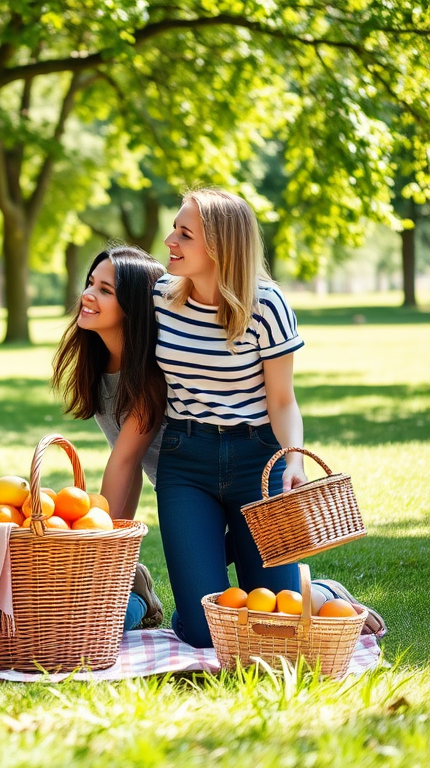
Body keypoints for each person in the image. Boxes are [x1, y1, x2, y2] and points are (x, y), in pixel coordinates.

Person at [153, 188, 308, 648]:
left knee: (278, 621)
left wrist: (294, 460)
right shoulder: (161, 298)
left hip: (259, 463)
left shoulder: (268, 306)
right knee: (204, 633)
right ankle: (212, 570)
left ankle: (316, 589)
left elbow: (282, 400)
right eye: (174, 229)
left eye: (184, 234)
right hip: (186, 460)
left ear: (221, 246)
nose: (169, 241)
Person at [51, 244, 167, 629]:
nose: (87, 294)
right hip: (181, 501)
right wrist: (109, 558)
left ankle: (324, 593)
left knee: (202, 620)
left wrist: (100, 553)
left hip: (213, 506)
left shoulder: (152, 370)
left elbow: (125, 461)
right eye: (90, 283)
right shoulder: (101, 365)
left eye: (105, 290)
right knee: (83, 617)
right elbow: (127, 466)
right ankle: (134, 595)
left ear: (133, 307)